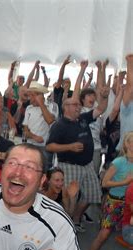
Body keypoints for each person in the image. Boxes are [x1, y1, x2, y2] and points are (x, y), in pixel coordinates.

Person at [46, 60, 109, 232]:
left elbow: (102, 108)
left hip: (87, 164)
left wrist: (104, 96)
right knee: (69, 198)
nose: (78, 107)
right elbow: (50, 147)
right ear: (66, 107)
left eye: (79, 105)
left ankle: (75, 219)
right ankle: (64, 228)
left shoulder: (83, 118)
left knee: (92, 194)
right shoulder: (60, 125)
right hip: (69, 165)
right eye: (75, 105)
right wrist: (70, 147)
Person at [85, 131, 133, 250]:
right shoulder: (119, 162)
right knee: (104, 235)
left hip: (130, 202)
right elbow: (105, 183)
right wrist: (124, 182)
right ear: (127, 144)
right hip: (115, 201)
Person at [23, 81, 58, 168]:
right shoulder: (29, 108)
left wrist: (41, 104)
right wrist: (34, 137)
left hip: (45, 147)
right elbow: (25, 130)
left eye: (32, 95)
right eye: (29, 95)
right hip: (30, 145)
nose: (30, 98)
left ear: (40, 96)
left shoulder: (52, 106)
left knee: (44, 170)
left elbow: (50, 120)